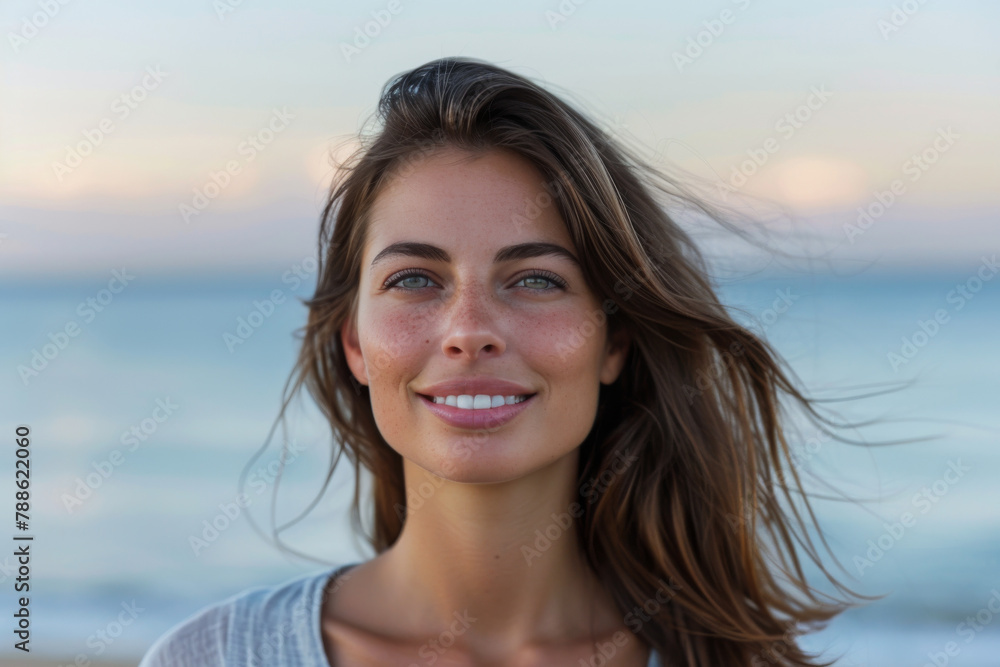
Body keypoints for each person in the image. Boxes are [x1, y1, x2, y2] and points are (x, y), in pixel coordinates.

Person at [139, 56, 878, 666]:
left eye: (534, 279)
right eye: (415, 279)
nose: (468, 331)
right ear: (355, 343)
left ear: (612, 341)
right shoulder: (210, 656)